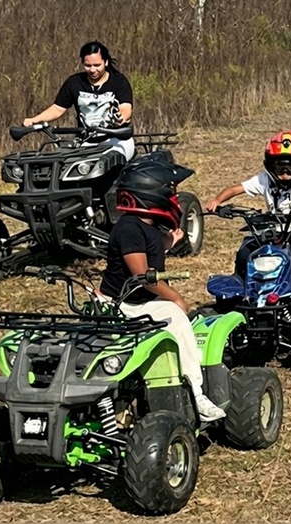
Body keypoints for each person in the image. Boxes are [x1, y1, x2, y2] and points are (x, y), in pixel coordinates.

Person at [100, 155, 226, 422]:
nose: (173, 195)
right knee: (178, 319)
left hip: (139, 300)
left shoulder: (144, 226)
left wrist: (169, 241)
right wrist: (175, 297)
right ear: (151, 192)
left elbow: (150, 249)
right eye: (170, 190)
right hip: (127, 303)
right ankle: (197, 393)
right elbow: (143, 276)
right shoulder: (129, 229)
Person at [205, 131, 291, 279]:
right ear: (269, 163)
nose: (285, 172)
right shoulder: (264, 179)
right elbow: (235, 189)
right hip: (274, 231)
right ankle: (243, 286)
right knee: (245, 253)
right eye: (279, 165)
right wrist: (218, 200)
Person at [23, 41, 135, 161]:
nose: (92, 70)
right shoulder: (74, 82)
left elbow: (126, 108)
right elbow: (58, 108)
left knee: (106, 164)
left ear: (106, 62)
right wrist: (34, 120)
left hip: (117, 141)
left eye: (97, 65)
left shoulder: (119, 81)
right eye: (88, 65)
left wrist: (120, 118)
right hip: (85, 142)